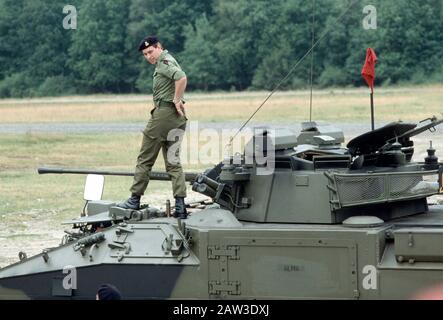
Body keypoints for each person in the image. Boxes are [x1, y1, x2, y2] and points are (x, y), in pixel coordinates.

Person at [117, 35, 188, 219]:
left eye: (150, 51)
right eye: (145, 54)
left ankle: (134, 199)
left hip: (164, 115)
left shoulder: (164, 62)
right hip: (177, 118)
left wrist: (176, 99)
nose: (148, 56)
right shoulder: (168, 60)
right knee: (173, 163)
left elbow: (181, 78)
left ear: (159, 47)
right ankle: (180, 206)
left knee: (145, 159)